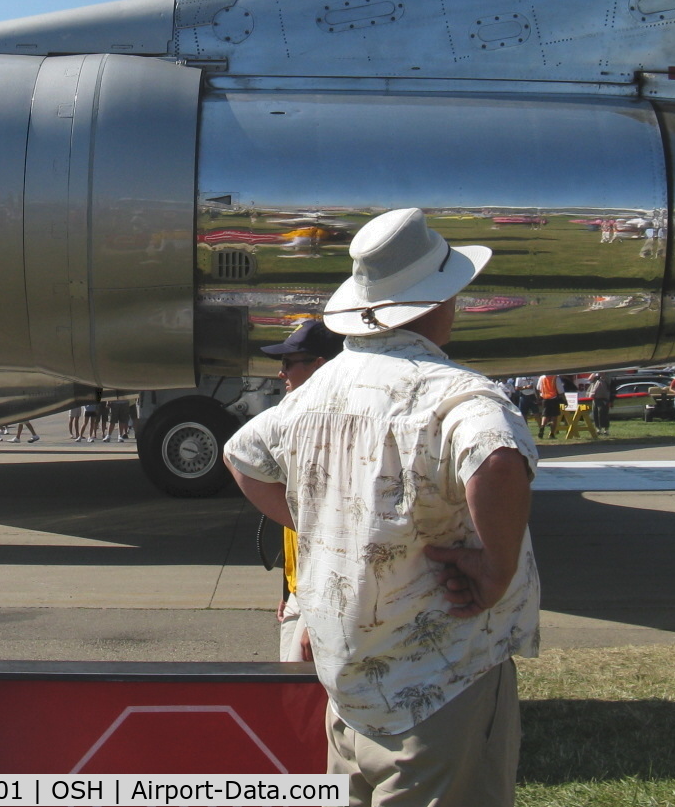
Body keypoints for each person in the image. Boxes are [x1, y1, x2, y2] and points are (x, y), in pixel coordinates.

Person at [225, 208, 538, 807]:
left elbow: (242, 458)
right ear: (437, 303)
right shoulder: (451, 391)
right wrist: (496, 572)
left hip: (348, 689)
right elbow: (497, 459)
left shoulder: (316, 388)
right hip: (441, 686)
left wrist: (324, 525)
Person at [258, 320, 345, 662]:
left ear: (319, 366)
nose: (281, 374)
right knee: (288, 696)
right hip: (300, 591)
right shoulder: (301, 426)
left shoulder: (334, 432)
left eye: (288, 363)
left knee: (302, 699)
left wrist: (317, 616)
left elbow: (334, 532)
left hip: (321, 596)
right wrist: (288, 588)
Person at [586, 371, 613, 436]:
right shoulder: (595, 379)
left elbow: (607, 381)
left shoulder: (606, 378)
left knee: (603, 414)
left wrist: (602, 375)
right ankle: (598, 429)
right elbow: (589, 379)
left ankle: (606, 429)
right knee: (595, 414)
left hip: (603, 399)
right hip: (595, 399)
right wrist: (595, 373)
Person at [536, 372, 561, 439]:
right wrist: (564, 399)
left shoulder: (541, 377)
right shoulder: (555, 377)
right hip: (554, 399)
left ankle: (542, 428)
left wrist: (539, 398)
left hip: (545, 398)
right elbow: (560, 390)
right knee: (554, 416)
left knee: (545, 415)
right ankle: (551, 434)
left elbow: (538, 388)